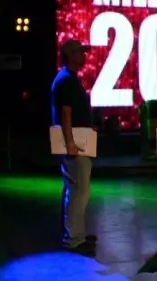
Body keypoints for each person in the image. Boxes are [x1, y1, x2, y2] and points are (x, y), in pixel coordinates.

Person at [51, 40, 96, 254]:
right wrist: (70, 142)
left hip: (78, 139)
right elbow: (66, 113)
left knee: (76, 189)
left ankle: (75, 233)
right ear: (69, 55)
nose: (83, 55)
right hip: (75, 143)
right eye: (79, 52)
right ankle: (74, 238)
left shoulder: (68, 78)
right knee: (79, 191)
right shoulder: (66, 80)